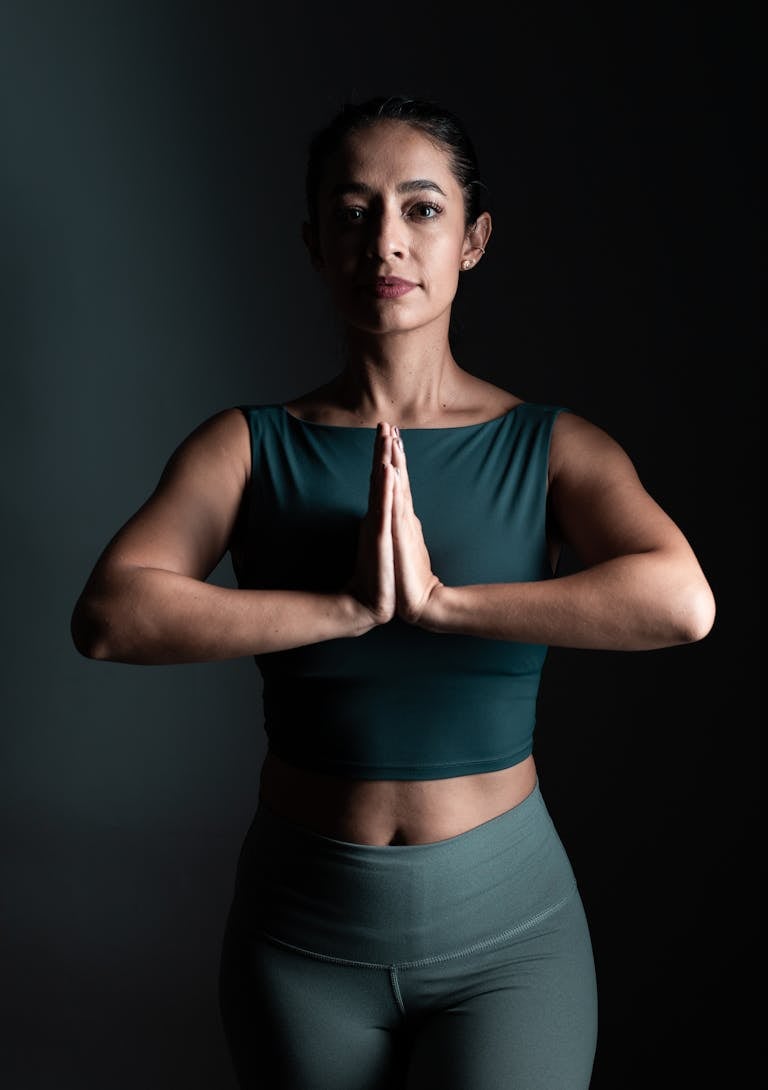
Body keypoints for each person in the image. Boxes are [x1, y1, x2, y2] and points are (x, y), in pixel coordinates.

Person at [70, 94, 716, 1089]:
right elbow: (111, 616)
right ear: (314, 241)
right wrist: (346, 609)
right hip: (302, 930)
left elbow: (682, 602)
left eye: (420, 208)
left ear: (473, 238)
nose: (387, 240)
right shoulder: (245, 446)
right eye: (353, 210)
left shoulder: (551, 445)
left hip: (509, 936)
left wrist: (442, 603)